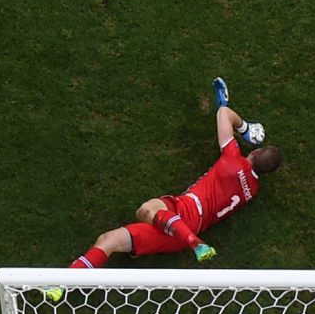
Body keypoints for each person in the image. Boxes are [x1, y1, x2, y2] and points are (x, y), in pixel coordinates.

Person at [69, 78, 283, 268]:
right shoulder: (252, 190)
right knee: (113, 236)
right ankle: (64, 283)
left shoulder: (232, 160)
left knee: (147, 209)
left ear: (254, 151)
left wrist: (245, 129)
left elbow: (223, 114)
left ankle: (194, 243)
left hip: (188, 212)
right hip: (187, 224)